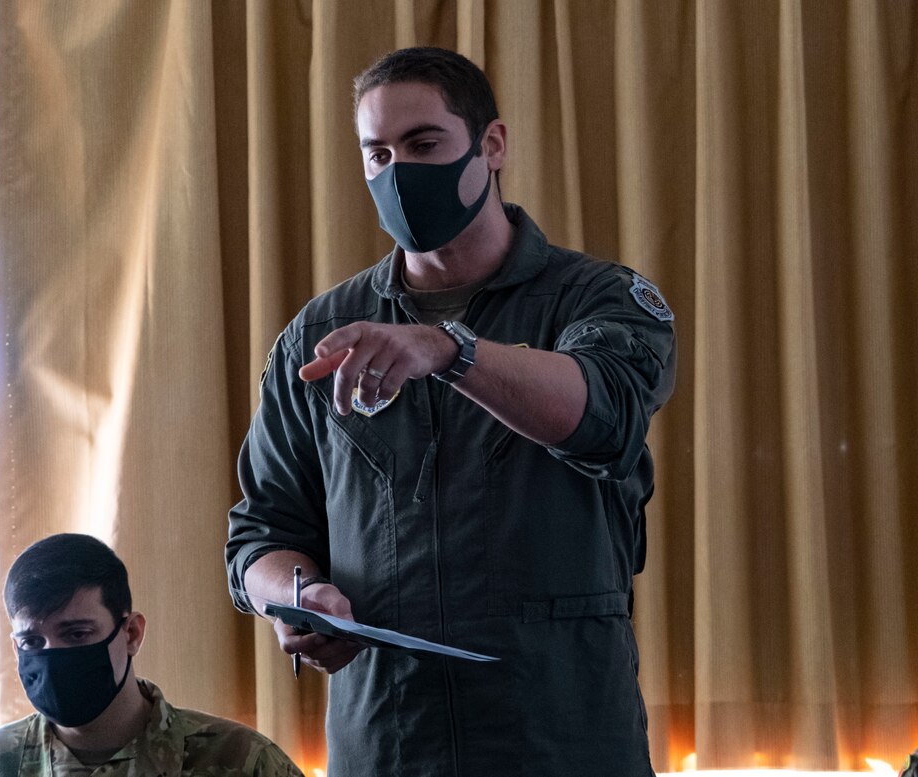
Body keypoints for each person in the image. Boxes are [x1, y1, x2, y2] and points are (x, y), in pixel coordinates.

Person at [226, 46, 676, 777]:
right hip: (392, 741)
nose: (398, 171)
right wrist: (299, 596)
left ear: (491, 145)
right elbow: (259, 534)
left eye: (424, 144)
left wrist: (450, 351)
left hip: (563, 741)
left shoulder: (599, 298)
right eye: (377, 153)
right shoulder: (319, 335)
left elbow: (604, 412)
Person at [0, 533, 303, 777]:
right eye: (32, 642)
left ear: (131, 633)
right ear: (15, 647)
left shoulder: (242, 761)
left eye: (76, 634)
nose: (53, 655)